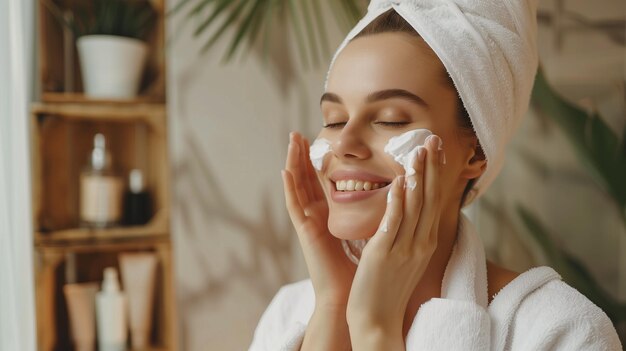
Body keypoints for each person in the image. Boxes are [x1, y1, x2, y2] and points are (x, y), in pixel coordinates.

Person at [249, 1, 623, 350]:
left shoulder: (561, 330)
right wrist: (333, 307)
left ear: (475, 152)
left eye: (390, 119)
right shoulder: (290, 312)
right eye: (334, 119)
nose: (344, 143)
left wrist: (374, 329)